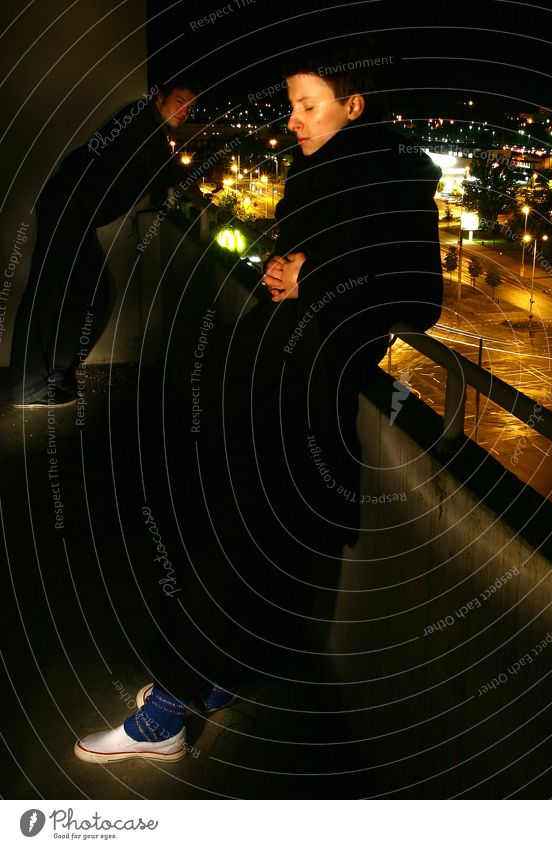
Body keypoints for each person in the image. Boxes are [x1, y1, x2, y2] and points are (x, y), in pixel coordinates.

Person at [74, 42, 443, 763]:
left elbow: (417, 296)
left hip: (298, 398)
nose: (294, 119)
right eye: (292, 103)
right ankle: (206, 682)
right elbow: (311, 266)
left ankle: (168, 712)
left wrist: (319, 274)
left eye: (309, 106)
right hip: (267, 385)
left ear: (353, 107)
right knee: (234, 540)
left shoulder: (394, 177)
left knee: (228, 543)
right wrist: (288, 269)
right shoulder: (318, 174)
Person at [8, 76, 200, 408]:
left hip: (74, 210)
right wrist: (193, 189)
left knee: (92, 294)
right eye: (180, 100)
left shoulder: (148, 128)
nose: (185, 110)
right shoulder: (141, 122)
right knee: (48, 292)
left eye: (191, 107)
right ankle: (29, 385)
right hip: (68, 205)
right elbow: (153, 163)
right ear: (160, 97)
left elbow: (150, 169)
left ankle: (52, 372)